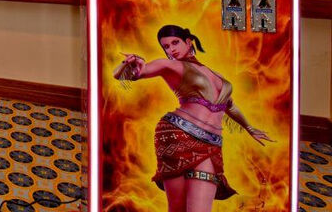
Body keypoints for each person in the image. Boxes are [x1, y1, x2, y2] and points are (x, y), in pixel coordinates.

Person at [114, 25, 272, 212]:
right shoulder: (171, 66)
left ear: (188, 42)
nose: (171, 49)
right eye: (166, 46)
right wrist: (130, 63)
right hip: (177, 135)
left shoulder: (215, 74)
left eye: (175, 42)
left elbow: (229, 105)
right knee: (178, 208)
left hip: (211, 144)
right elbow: (129, 73)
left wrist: (249, 127)